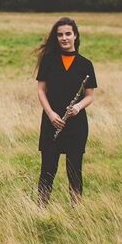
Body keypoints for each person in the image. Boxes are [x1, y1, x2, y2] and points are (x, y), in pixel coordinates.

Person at [35, 17, 97, 206]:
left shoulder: (85, 64)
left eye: (68, 34)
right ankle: (41, 207)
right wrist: (51, 114)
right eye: (60, 34)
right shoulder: (48, 61)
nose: (64, 38)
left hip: (76, 124)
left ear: (75, 36)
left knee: (74, 169)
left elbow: (89, 96)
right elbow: (41, 91)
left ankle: (76, 208)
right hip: (52, 121)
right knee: (48, 168)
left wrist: (78, 107)